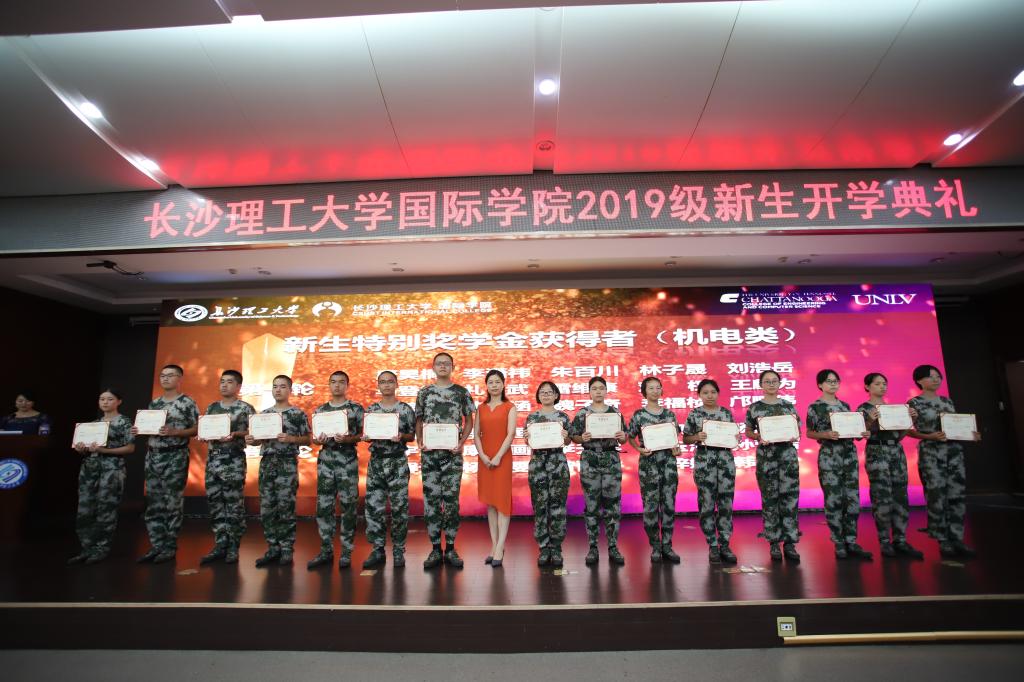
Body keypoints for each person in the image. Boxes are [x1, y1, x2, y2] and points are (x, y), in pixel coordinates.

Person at [907, 364, 980, 558]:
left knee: (956, 494)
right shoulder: (914, 403)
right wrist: (929, 436)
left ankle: (957, 537)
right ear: (919, 381)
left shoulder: (947, 401)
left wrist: (970, 434)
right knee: (936, 495)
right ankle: (943, 539)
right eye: (931, 376)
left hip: (954, 452)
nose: (936, 379)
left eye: (938, 376)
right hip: (931, 452)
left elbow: (957, 426)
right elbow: (907, 430)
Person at [415, 352, 476, 569]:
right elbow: (419, 420)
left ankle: (450, 548)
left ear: (452, 367)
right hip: (430, 455)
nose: (443, 366)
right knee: (431, 503)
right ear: (433, 367)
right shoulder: (424, 392)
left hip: (452, 456)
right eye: (439, 364)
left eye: (447, 364)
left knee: (451, 503)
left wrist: (462, 442)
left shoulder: (461, 392)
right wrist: (420, 440)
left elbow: (469, 420)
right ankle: (434, 548)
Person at [133, 364, 199, 564]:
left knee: (172, 503)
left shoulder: (187, 402)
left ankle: (169, 547)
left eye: (170, 375)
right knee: (154, 503)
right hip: (153, 456)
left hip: (175, 455)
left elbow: (197, 428)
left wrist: (176, 432)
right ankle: (156, 545)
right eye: (162, 375)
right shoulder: (154, 403)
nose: (165, 379)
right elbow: (148, 426)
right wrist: (138, 430)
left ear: (179, 379)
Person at [806, 369, 873, 560]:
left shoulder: (845, 406)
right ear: (820, 385)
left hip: (849, 455)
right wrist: (825, 434)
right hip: (829, 455)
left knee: (852, 500)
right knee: (833, 500)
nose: (833, 384)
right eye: (829, 381)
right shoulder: (815, 407)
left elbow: (853, 430)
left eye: (836, 381)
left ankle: (851, 540)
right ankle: (838, 542)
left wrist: (863, 432)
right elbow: (809, 432)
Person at [245, 375, 310, 567]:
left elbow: (309, 439)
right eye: (275, 387)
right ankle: (273, 548)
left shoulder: (297, 414)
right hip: (267, 463)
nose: (278, 390)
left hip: (286, 463)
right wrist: (252, 440)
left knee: (286, 508)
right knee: (267, 508)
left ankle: (287, 549)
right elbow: (257, 440)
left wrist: (291, 439)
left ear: (290, 390)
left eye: (282, 386)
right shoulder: (264, 414)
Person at [857, 372, 923, 559]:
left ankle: (900, 540)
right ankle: (885, 541)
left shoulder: (895, 409)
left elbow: (900, 435)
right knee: (882, 496)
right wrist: (870, 420)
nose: (882, 387)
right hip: (876, 451)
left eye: (884, 383)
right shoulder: (864, 408)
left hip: (896, 451)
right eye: (877, 384)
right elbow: (859, 433)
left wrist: (910, 420)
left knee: (900, 495)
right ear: (867, 386)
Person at [68, 388, 134, 565]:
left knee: (106, 509)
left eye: (110, 399)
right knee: (85, 509)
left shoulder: (124, 422)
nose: (105, 402)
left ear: (119, 401)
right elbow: (84, 449)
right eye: (102, 399)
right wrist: (81, 449)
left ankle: (101, 548)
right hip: (90, 468)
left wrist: (105, 451)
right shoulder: (93, 424)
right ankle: (86, 548)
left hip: (112, 469)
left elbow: (130, 448)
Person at [308, 371, 365, 571]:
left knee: (349, 506)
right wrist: (319, 440)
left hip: (347, 461)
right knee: (324, 506)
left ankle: (347, 551)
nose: (337, 385)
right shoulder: (321, 410)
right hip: (326, 461)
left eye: (341, 382)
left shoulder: (356, 409)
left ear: (347, 385)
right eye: (333, 382)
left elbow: (363, 435)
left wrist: (348, 439)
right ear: (329, 385)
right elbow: (314, 439)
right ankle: (326, 550)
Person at [744, 370, 802, 563]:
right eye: (767, 381)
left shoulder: (788, 406)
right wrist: (758, 436)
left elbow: (798, 429)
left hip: (787, 456)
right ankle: (774, 542)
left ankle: (790, 542)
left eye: (774, 381)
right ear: (761, 385)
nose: (771, 384)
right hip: (766, 457)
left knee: (790, 499)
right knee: (770, 499)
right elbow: (748, 431)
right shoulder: (755, 408)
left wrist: (794, 434)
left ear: (779, 384)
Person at [198, 370, 255, 565]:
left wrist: (235, 434)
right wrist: (203, 435)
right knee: (215, 503)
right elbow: (206, 429)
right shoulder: (212, 407)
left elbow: (255, 432)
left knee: (233, 505)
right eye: (222, 381)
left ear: (238, 386)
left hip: (233, 460)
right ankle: (220, 544)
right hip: (213, 460)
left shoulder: (245, 408)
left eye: (229, 382)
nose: (224, 385)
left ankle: (233, 547)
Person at [361, 371, 416, 569]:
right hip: (376, 462)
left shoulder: (405, 409)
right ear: (378, 385)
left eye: (390, 382)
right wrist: (366, 437)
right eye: (382, 382)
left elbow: (412, 436)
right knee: (374, 507)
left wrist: (401, 436)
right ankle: (377, 549)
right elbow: (365, 433)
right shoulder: (372, 410)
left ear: (396, 384)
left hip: (397, 462)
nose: (386, 385)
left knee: (399, 508)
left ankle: (399, 550)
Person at [571, 376, 628, 566]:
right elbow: (573, 437)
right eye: (594, 388)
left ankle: (613, 546)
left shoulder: (615, 413)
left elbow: (624, 438)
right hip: (590, 459)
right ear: (589, 392)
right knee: (592, 505)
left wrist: (622, 436)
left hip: (611, 458)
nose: (598, 391)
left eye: (601, 388)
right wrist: (582, 438)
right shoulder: (583, 413)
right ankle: (593, 547)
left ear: (606, 391)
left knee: (613, 505)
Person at [682, 379, 738, 565]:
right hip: (704, 463)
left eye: (713, 392)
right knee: (706, 504)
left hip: (725, 462)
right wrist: (696, 436)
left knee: (726, 504)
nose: (710, 396)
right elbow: (686, 439)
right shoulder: (695, 414)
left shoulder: (726, 413)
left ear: (718, 393)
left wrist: (735, 437)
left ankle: (725, 544)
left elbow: (733, 437)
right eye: (705, 392)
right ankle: (712, 545)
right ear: (699, 395)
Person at [627, 377, 682, 564]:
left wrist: (676, 449)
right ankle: (655, 545)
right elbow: (630, 437)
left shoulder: (670, 414)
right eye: (651, 388)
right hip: (648, 465)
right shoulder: (639, 415)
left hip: (668, 464)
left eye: (658, 387)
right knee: (650, 507)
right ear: (644, 392)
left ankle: (667, 545)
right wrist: (639, 449)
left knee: (669, 505)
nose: (655, 391)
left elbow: (674, 438)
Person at [525, 381, 571, 568]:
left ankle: (556, 547)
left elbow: (568, 441)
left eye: (549, 392)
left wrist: (566, 436)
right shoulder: (532, 417)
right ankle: (544, 547)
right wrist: (527, 438)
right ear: (538, 396)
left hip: (557, 463)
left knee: (558, 506)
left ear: (556, 395)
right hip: (538, 464)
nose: (545, 395)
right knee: (540, 506)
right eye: (542, 392)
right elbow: (529, 442)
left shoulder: (563, 417)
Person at [474, 369, 518, 568]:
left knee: (502, 502)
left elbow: (511, 434)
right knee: (491, 503)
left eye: (497, 382)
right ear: (487, 385)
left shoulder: (510, 407)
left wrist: (499, 456)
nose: (494, 385)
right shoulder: (481, 408)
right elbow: (476, 435)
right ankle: (494, 545)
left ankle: (501, 546)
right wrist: (483, 456)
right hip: (485, 459)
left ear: (503, 384)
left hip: (502, 458)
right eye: (490, 382)